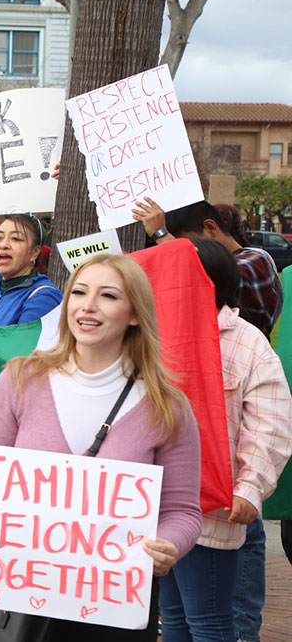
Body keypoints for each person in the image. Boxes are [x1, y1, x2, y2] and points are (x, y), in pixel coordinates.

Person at [0, 254, 203, 640]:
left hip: (113, 608)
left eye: (108, 295)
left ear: (134, 314)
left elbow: (183, 512)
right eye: (79, 292)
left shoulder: (168, 405)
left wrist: (168, 545)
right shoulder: (19, 379)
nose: (88, 305)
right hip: (18, 607)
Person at [158, 239, 292, 642]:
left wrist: (251, 489)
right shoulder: (155, 334)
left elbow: (271, 424)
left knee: (210, 622)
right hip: (159, 507)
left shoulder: (247, 343)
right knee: (174, 617)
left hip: (215, 512)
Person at [133, 199, 282, 338]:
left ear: (210, 227)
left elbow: (216, 275)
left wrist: (162, 236)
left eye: (186, 245)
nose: (184, 252)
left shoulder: (256, 259)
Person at [0, 213, 62, 326]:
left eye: (15, 239)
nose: (3, 245)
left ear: (35, 252)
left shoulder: (44, 296)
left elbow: (20, 342)